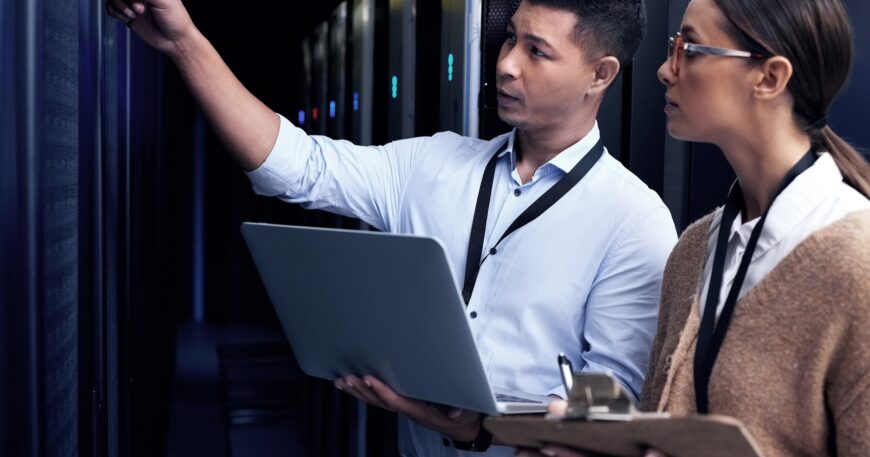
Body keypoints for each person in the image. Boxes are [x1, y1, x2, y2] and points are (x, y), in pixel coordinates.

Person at [105, 0, 677, 455]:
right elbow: (299, 167)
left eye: (537, 51)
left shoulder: (633, 220)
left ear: (599, 75)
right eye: (511, 38)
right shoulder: (434, 164)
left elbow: (615, 397)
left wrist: (485, 425)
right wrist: (184, 43)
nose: (505, 62)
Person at [518, 0, 870, 456]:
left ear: (769, 78)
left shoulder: (856, 266)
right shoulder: (693, 249)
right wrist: (585, 437)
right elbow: (665, 420)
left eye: (691, 48)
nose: (666, 70)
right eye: (672, 45)